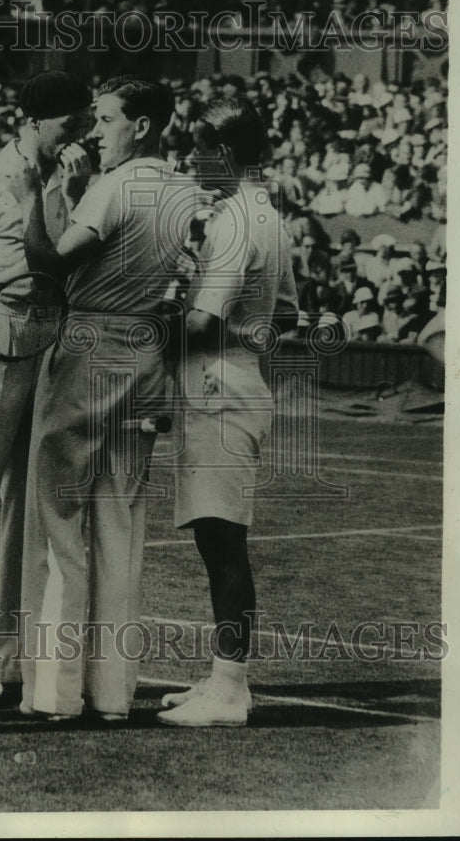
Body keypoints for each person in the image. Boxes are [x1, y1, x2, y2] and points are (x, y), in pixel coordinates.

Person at [14, 76, 187, 722]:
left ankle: (55, 693)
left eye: (109, 119)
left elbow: (48, 261)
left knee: (59, 517)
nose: (96, 130)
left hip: (90, 346)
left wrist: (39, 187)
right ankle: (112, 693)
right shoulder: (181, 187)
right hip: (145, 354)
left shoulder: (116, 185)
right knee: (121, 525)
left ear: (141, 126)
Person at [0, 70, 93, 707]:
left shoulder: (68, 174)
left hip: (49, 340)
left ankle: (7, 659)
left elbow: (67, 258)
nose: (80, 131)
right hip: (1, 338)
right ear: (35, 122)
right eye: (69, 121)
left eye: (85, 119)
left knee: (24, 505)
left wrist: (72, 188)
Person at [157, 97, 298, 728]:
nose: (191, 159)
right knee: (220, 543)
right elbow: (287, 314)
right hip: (237, 384)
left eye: (199, 148)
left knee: (223, 545)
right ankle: (222, 676)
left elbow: (198, 323)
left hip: (217, 391)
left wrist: (153, 316)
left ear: (224, 153)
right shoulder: (268, 215)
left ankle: (232, 691)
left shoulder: (234, 222)